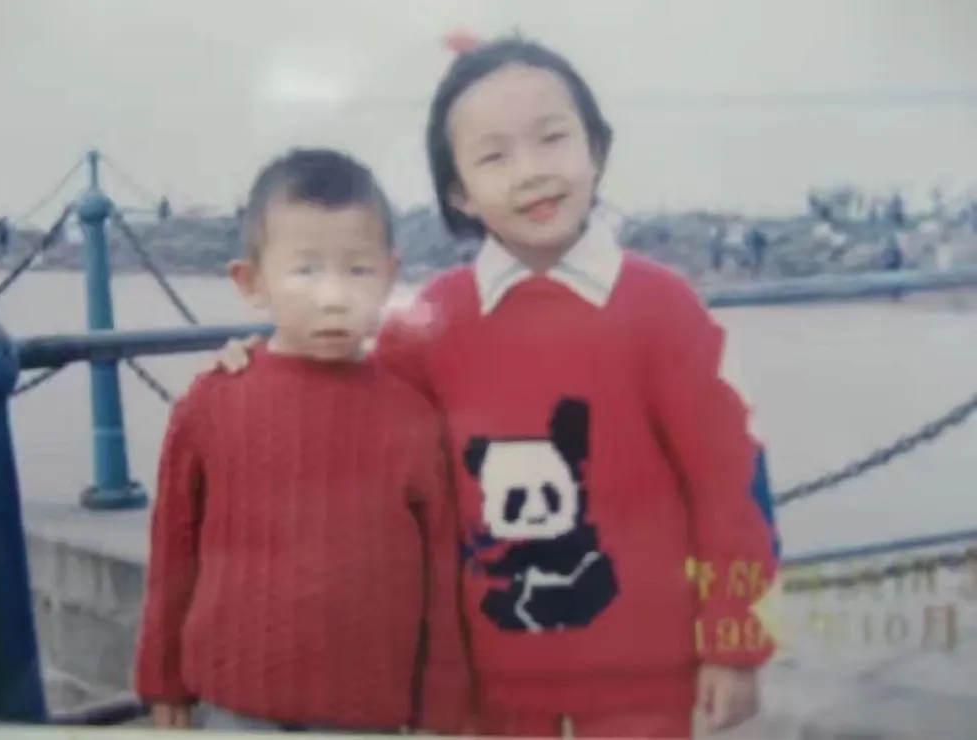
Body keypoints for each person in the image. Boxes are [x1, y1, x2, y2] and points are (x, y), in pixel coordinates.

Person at [214, 36, 781, 739]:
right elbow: (345, 411)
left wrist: (736, 641)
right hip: (483, 685)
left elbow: (732, 480)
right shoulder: (429, 321)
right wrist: (264, 365)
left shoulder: (666, 307)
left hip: (647, 676)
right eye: (494, 156)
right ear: (458, 191)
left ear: (597, 148)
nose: (532, 172)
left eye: (553, 139)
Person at [133, 148, 472, 734]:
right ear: (251, 282)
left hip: (367, 714)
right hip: (233, 704)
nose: (333, 295)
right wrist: (162, 680)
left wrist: (444, 707)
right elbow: (173, 552)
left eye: (358, 270)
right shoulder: (211, 403)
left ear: (390, 276)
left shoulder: (412, 417)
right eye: (305, 271)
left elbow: (441, 573)